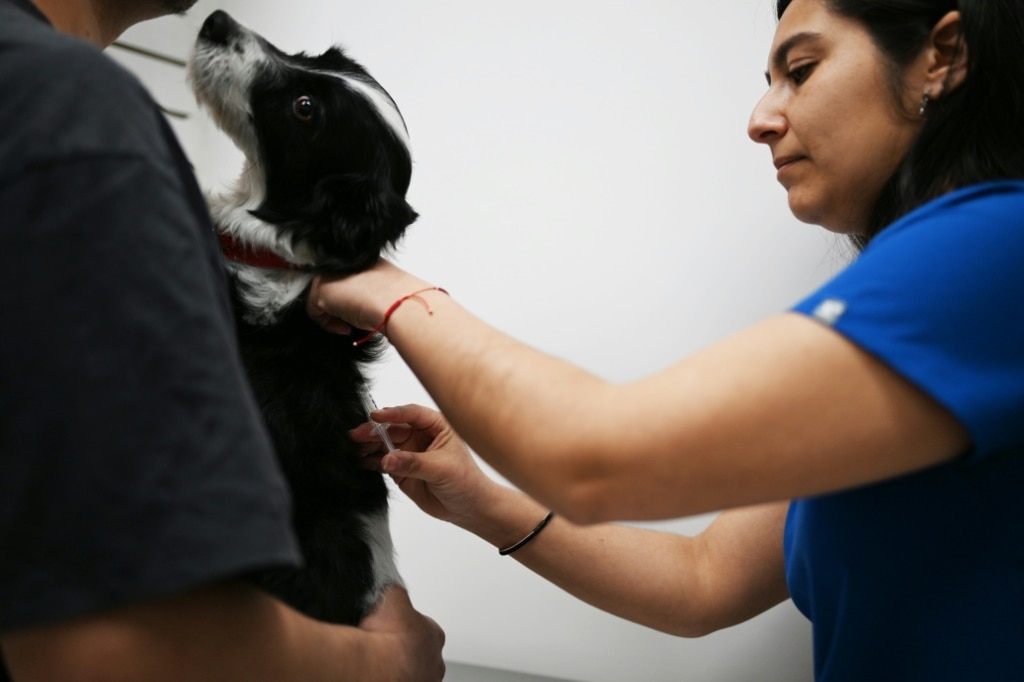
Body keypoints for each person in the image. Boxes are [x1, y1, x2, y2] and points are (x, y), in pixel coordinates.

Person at [307, 0, 1024, 679]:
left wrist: (390, 291)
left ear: (942, 56)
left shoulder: (994, 246)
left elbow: (594, 452)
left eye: (800, 72)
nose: (760, 118)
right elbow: (703, 580)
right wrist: (480, 498)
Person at [0, 1, 445, 680]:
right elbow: (104, 646)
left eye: (305, 108)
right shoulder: (69, 105)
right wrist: (387, 662)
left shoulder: (52, 97)